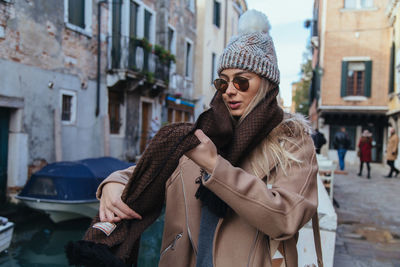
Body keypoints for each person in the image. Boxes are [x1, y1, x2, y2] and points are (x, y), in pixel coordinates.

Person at [95, 10, 319, 267]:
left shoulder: (292, 141)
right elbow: (151, 169)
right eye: (223, 83)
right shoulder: (203, 133)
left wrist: (216, 167)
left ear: (266, 85)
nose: (230, 91)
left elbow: (286, 218)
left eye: (242, 82)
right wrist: (113, 183)